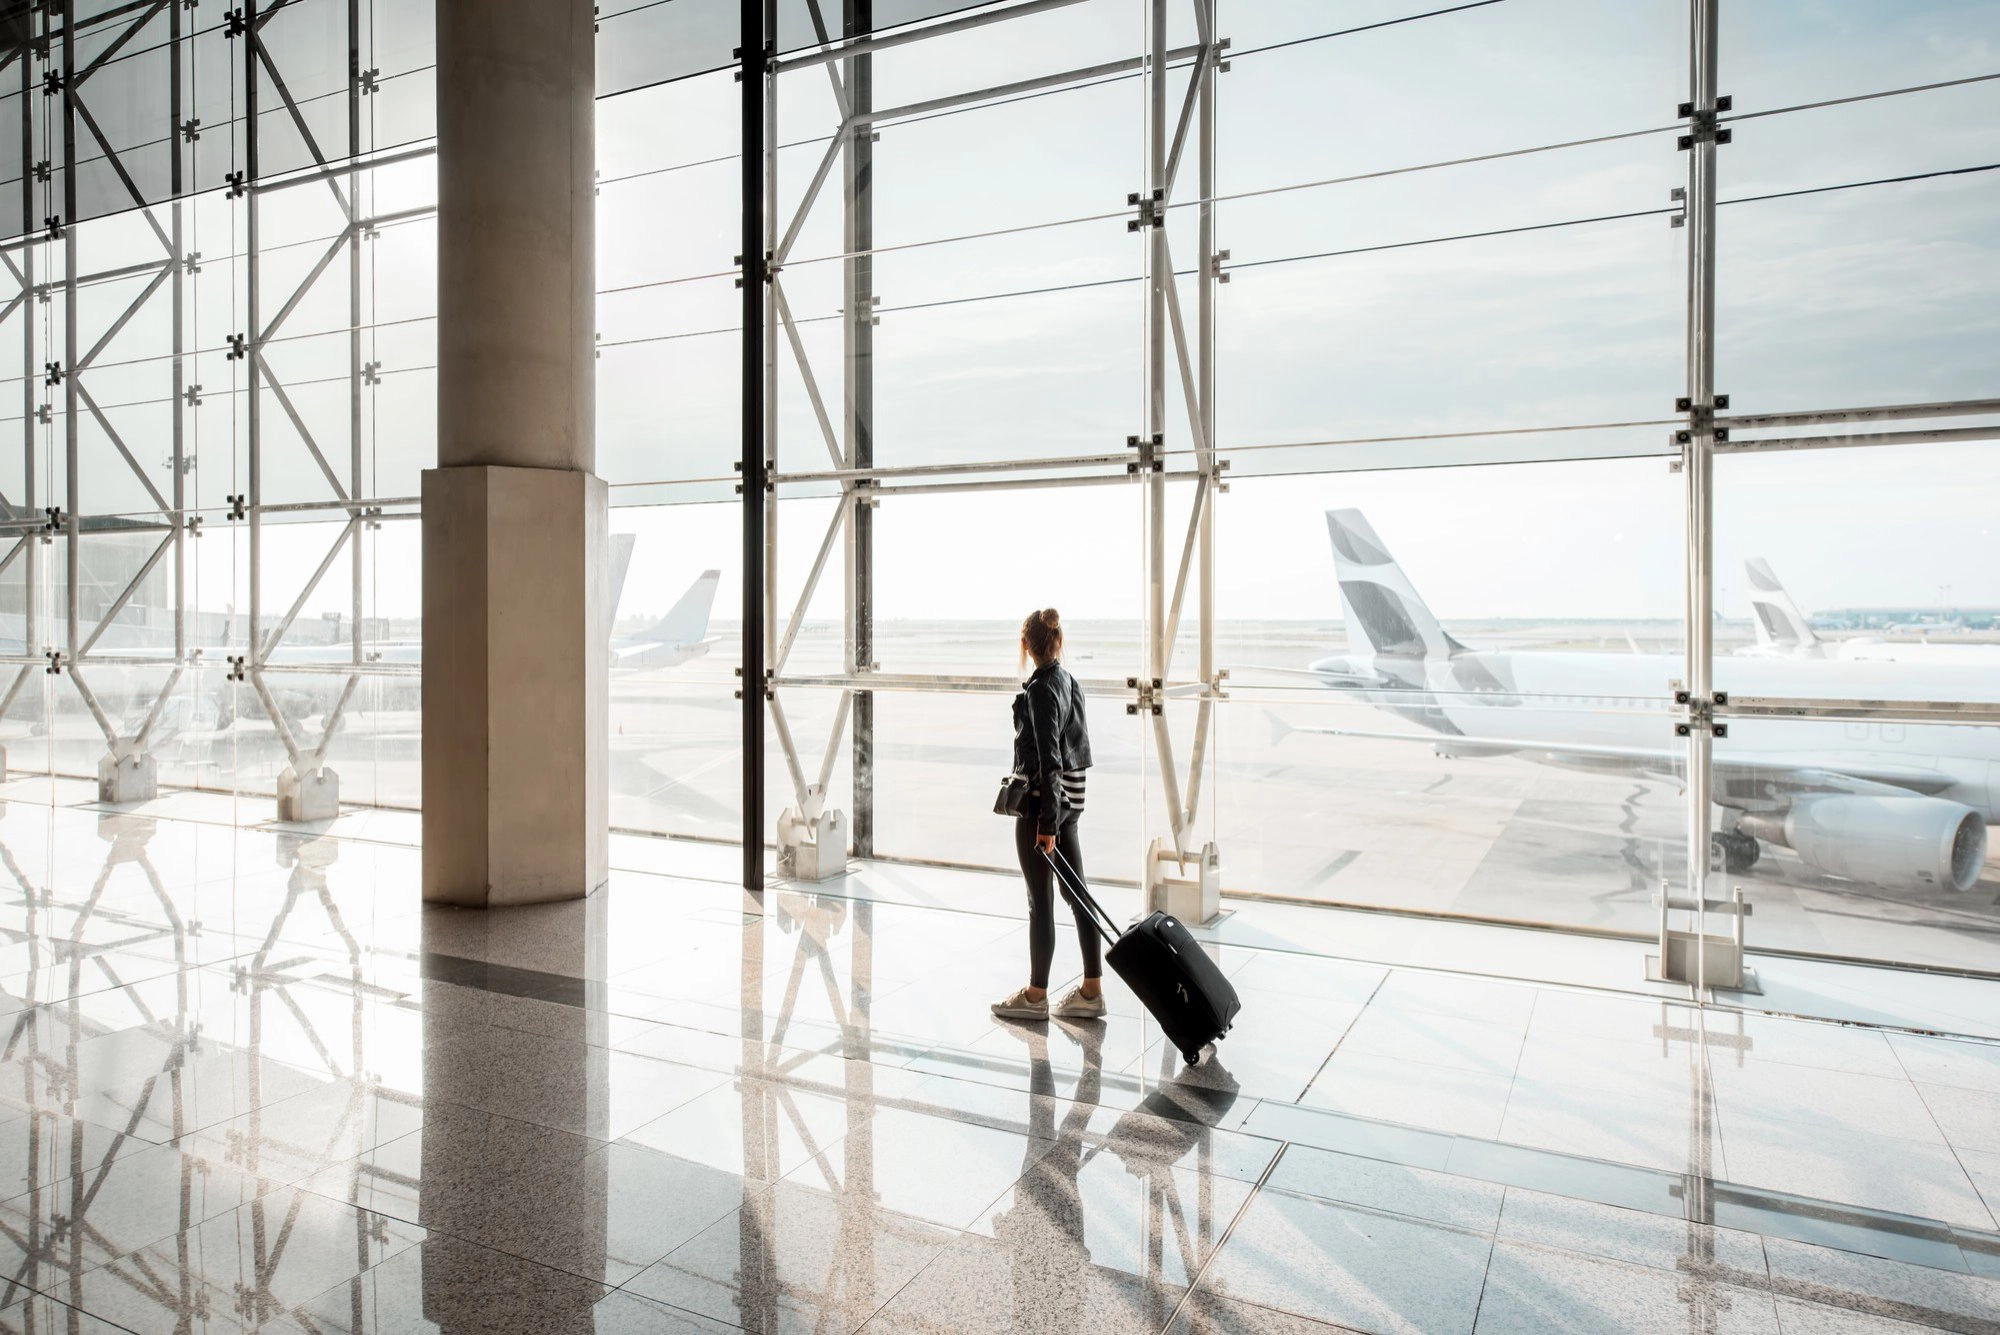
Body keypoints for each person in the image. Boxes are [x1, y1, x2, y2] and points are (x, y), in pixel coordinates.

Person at [992, 608, 1104, 1021]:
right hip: (1070, 804)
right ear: (1058, 641)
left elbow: (1049, 759)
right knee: (1078, 896)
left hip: (1044, 809)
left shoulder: (1040, 690)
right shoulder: (1069, 681)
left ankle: (1035, 995)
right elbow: (1074, 753)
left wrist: (1046, 825)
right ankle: (1091, 991)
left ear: (1026, 645)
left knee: (1040, 902)